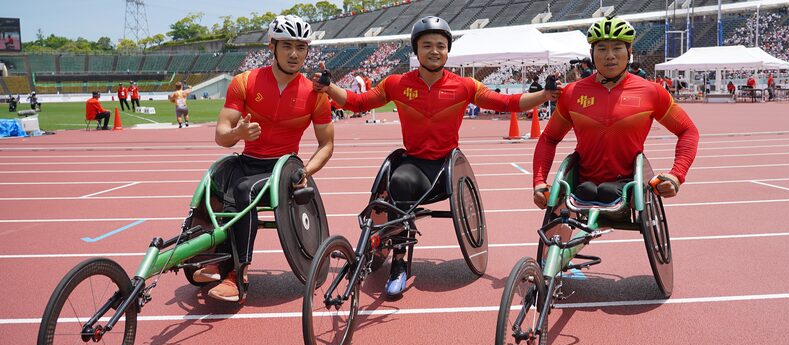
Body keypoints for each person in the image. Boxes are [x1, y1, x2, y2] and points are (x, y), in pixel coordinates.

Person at [314, 16, 560, 296]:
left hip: (445, 170)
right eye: (427, 45)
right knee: (401, 181)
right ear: (415, 49)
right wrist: (328, 87)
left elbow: (508, 102)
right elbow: (357, 102)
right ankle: (399, 263)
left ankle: (396, 253)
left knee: (403, 182)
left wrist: (545, 95)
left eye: (440, 46)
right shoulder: (396, 83)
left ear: (448, 50)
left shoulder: (465, 86)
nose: (434, 51)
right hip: (413, 164)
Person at [196, 15, 335, 302]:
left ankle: (237, 273)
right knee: (213, 183)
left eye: (301, 47)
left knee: (244, 191)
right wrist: (238, 131)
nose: (295, 54)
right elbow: (221, 136)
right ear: (271, 46)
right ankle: (210, 254)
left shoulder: (316, 94)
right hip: (248, 159)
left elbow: (326, 145)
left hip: (282, 168)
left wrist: (306, 170)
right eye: (287, 46)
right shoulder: (244, 82)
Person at [532, 17, 699, 212]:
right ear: (592, 54)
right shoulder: (571, 93)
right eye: (601, 49)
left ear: (629, 52)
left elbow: (688, 131)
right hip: (581, 185)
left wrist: (676, 175)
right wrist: (539, 183)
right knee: (588, 191)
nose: (609, 55)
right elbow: (549, 138)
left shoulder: (652, 92)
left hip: (628, 185)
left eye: (617, 48)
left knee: (608, 192)